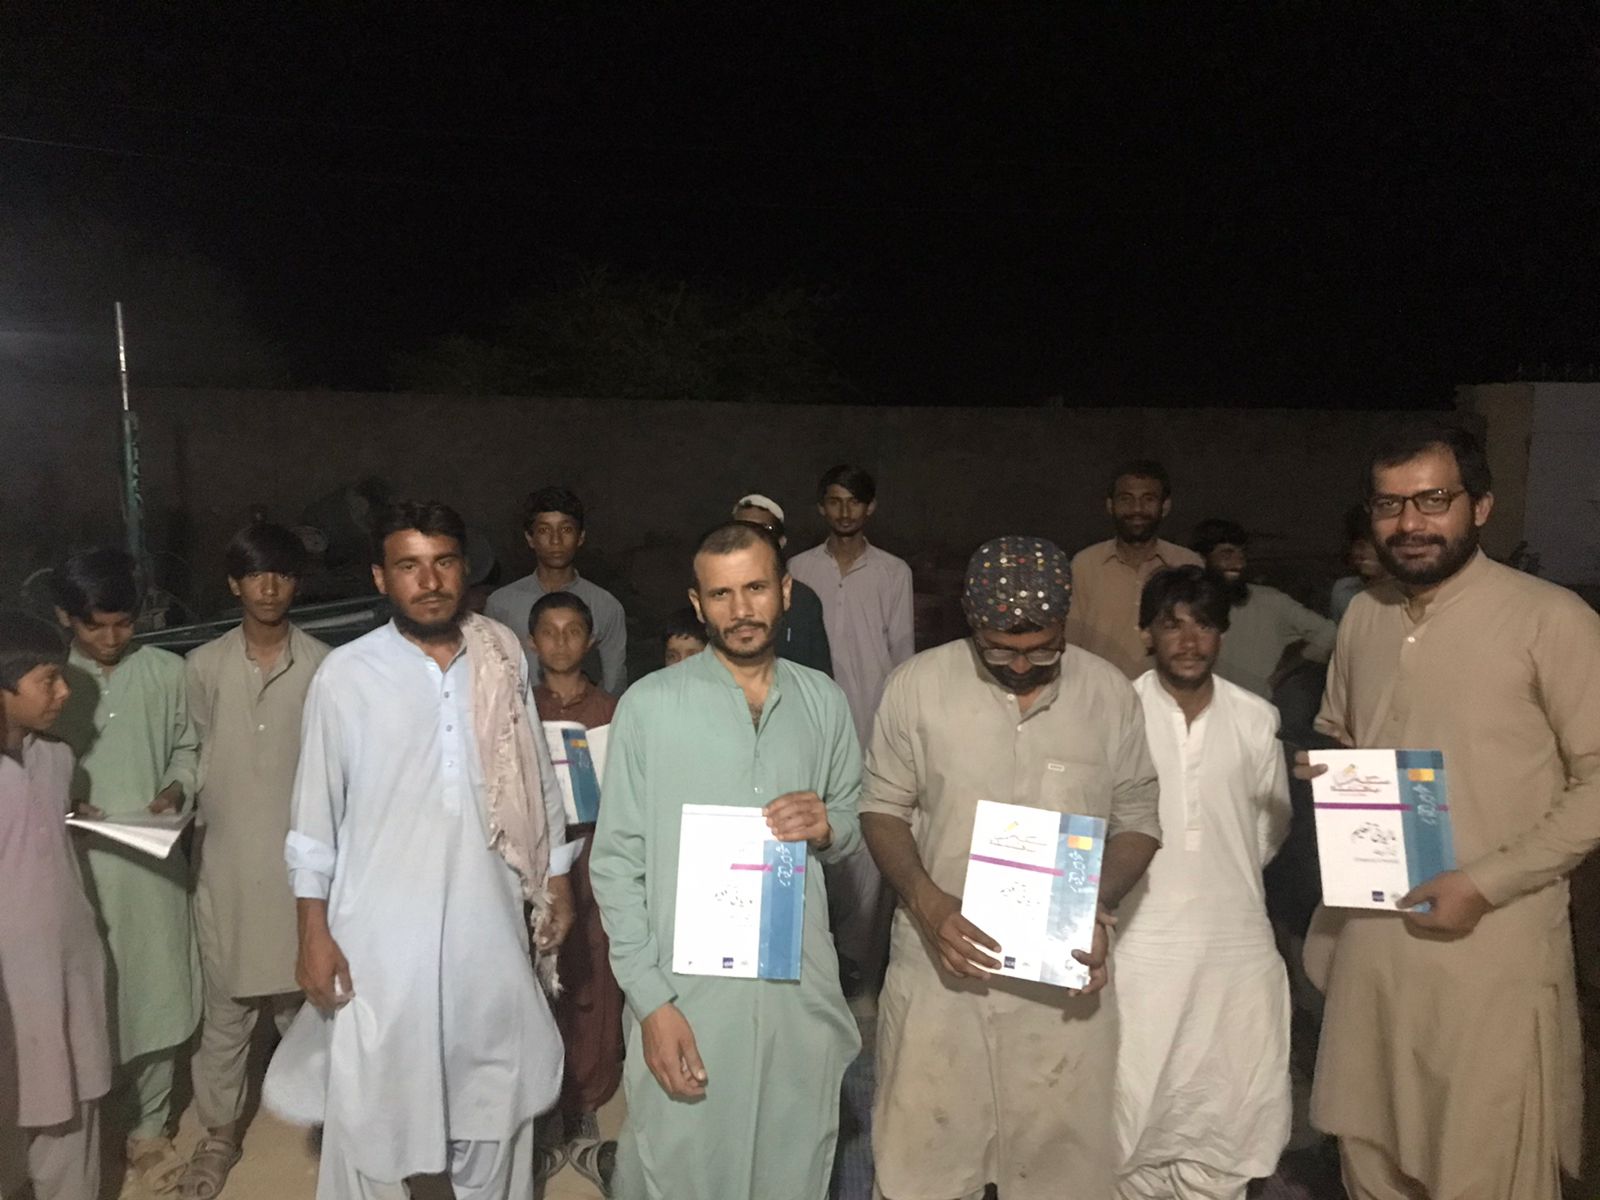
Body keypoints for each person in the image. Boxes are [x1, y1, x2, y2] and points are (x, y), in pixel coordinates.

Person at [1299, 421, 1600, 1198]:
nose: (1410, 522)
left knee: (1479, 1165)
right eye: (1390, 504)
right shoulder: (1365, 616)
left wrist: (1485, 882)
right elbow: (1351, 739)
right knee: (1370, 1159)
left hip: (1488, 953)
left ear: (1481, 507)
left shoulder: (1550, 618)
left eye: (1433, 500)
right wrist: (1333, 777)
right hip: (1373, 950)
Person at [263, 500, 577, 1200]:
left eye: (443, 563)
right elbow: (314, 816)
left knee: (491, 1098)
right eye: (409, 566)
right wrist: (312, 930)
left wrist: (556, 879)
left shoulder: (501, 657)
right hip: (378, 938)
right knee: (372, 1110)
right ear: (381, 578)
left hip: (488, 927)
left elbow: (536, 776)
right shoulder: (347, 675)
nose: (429, 581)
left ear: (464, 571)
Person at [861, 536, 1162, 1200]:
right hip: (942, 972)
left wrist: (1095, 905)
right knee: (923, 1165)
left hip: (1061, 989)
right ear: (972, 623)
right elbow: (881, 809)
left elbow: (1139, 821)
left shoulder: (1107, 695)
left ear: (1065, 623)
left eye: (1042, 650)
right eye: (1000, 651)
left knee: (1062, 1170)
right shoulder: (917, 687)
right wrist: (928, 902)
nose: (1022, 665)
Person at [590, 521, 864, 1200]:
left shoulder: (823, 701)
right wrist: (651, 1004)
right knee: (679, 1166)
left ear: (786, 591)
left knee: (791, 1165)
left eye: (755, 588)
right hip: (687, 997)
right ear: (698, 603)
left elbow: (852, 822)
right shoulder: (650, 706)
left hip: (796, 993)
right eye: (721, 594)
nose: (741, 610)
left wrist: (829, 827)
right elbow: (616, 864)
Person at [1114, 566, 1292, 1199]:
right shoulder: (1117, 713)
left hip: (1234, 947)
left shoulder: (1256, 718)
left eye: (1205, 625)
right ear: (1147, 633)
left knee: (1227, 1107)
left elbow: (1267, 831)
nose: (1190, 642)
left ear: (1222, 633)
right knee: (1131, 1108)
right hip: (1138, 945)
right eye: (1173, 625)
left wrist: (1218, 875)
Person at [180, 522, 330, 1198]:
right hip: (227, 864)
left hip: (303, 871)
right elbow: (189, 755)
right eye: (254, 575)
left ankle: (328, 1122)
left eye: (282, 574)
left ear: (297, 583)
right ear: (233, 584)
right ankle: (218, 1134)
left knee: (311, 1005)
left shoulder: (324, 665)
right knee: (227, 1010)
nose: (269, 588)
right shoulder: (202, 667)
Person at [51, 547, 200, 1196]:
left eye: (124, 624)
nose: (112, 638)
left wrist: (175, 788)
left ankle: (149, 1128)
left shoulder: (167, 673)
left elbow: (189, 749)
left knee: (158, 992)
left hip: (149, 865)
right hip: (74, 871)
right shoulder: (48, 684)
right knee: (90, 999)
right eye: (96, 626)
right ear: (66, 618)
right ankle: (94, 1129)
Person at [787, 465, 915, 994]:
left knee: (864, 836)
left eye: (854, 502)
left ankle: (859, 963)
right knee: (811, 829)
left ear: (870, 508)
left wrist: (897, 729)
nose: (844, 512)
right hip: (809, 722)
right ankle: (816, 958)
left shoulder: (892, 572)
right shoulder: (798, 568)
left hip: (870, 720)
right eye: (835, 501)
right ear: (821, 507)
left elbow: (901, 654)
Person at [0, 610, 112, 1200]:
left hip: (69, 960)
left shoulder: (57, 758)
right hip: (12, 982)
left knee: (73, 1098)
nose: (64, 692)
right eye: (48, 679)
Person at [526, 591, 622, 1192]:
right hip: (534, 861)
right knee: (536, 976)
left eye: (573, 631)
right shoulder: (517, 708)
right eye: (549, 631)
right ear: (531, 642)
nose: (561, 642)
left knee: (592, 973)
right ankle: (540, 1100)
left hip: (595, 856)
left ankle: (584, 1097)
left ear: (591, 640)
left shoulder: (613, 710)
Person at [1066, 459, 1205, 679]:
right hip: (1100, 693)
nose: (1137, 509)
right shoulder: (1085, 564)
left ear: (1165, 506)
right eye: (1126, 499)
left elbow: (1200, 637)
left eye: (1148, 499)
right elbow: (1071, 643)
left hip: (1167, 693)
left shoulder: (1187, 563)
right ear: (1110, 505)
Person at [486, 486, 627, 693]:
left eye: (566, 530)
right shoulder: (501, 604)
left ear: (581, 537)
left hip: (584, 712)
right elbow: (490, 674)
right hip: (517, 711)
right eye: (544, 530)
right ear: (530, 538)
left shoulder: (605, 605)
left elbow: (614, 681)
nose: (555, 540)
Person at [1190, 518, 1336, 702]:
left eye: (1242, 554)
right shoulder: (1186, 606)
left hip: (1257, 709)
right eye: (1227, 554)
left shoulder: (1271, 601)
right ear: (1202, 559)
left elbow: (1329, 634)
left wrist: (1285, 672)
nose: (1239, 563)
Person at [732, 493, 834, 675]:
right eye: (742, 529)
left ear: (781, 541)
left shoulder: (803, 599)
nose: (752, 539)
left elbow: (820, 676)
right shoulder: (716, 594)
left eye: (764, 530)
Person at [1328, 505, 1388, 622]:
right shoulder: (1344, 591)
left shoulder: (1412, 593)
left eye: (1371, 542)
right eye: (1356, 544)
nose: (1359, 551)